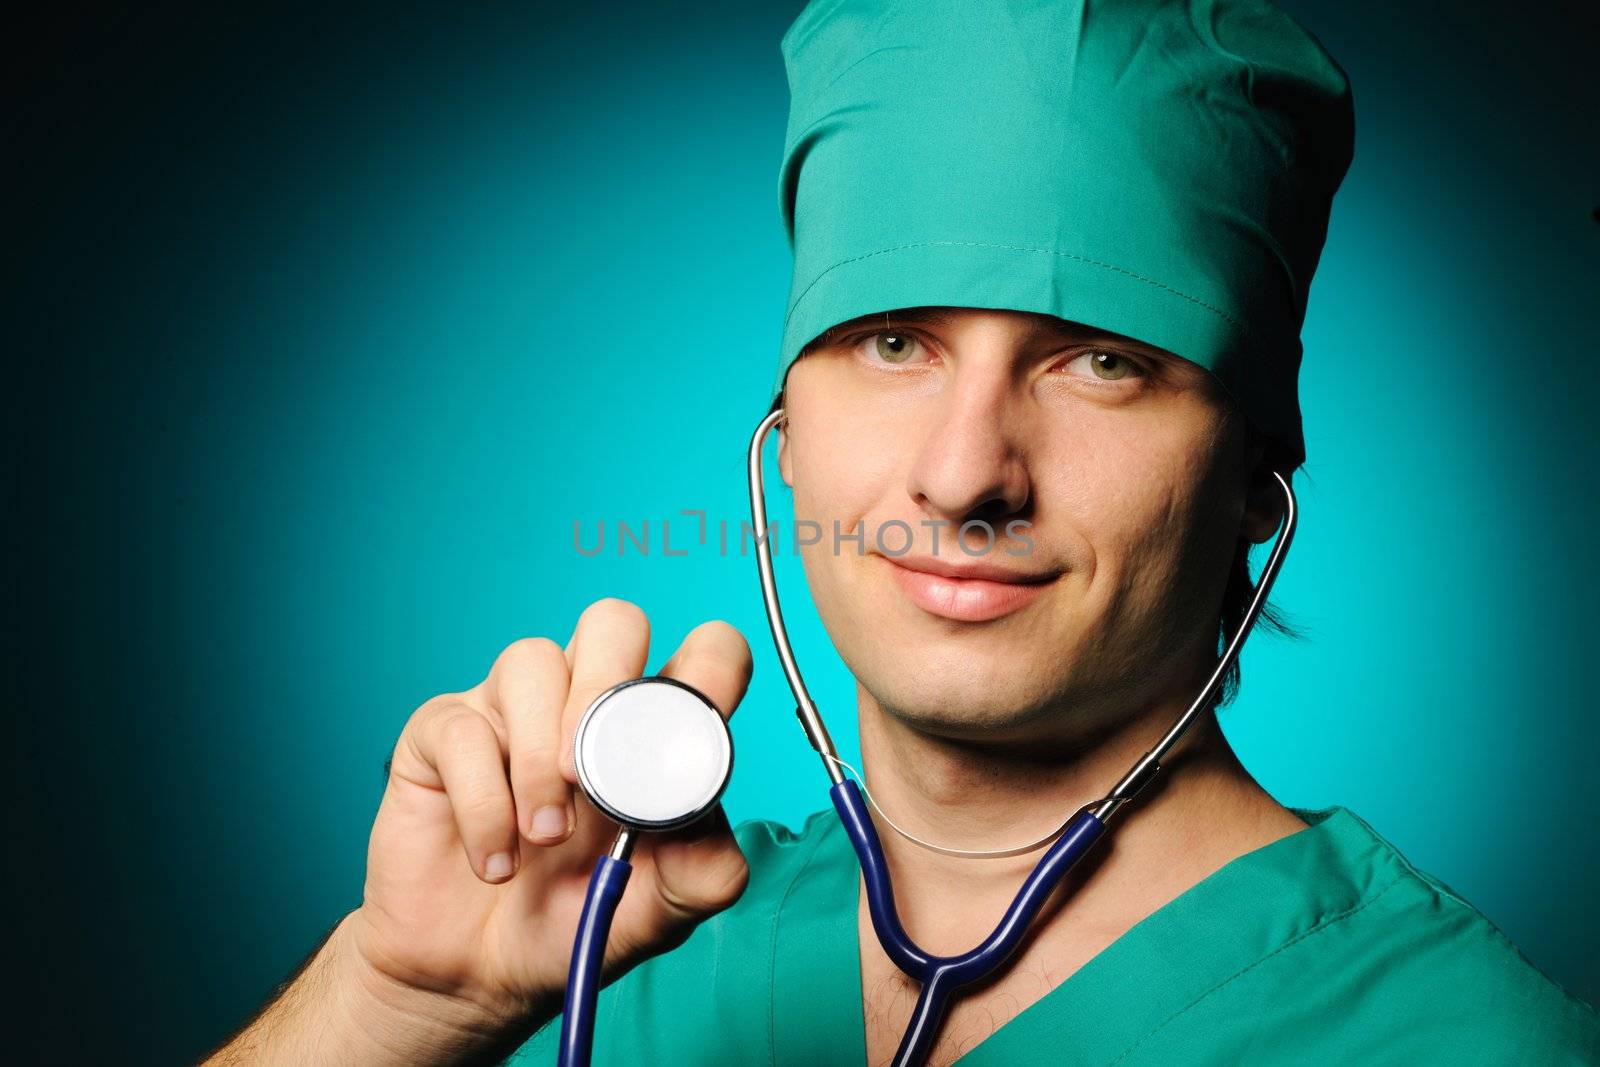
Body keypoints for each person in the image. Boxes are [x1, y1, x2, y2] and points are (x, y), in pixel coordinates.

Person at [206, 1, 1600, 1064]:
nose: (963, 476)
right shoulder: (613, 961)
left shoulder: (1456, 1036)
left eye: (1101, 361)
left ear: (1252, 475)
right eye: (891, 342)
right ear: (785, 426)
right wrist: (391, 1004)